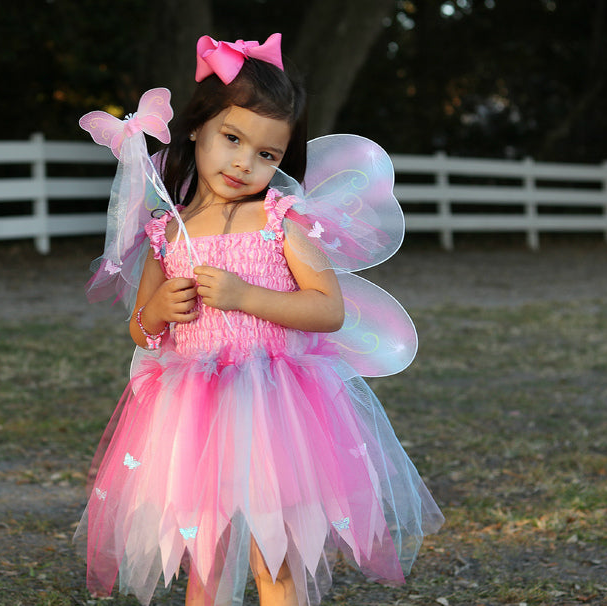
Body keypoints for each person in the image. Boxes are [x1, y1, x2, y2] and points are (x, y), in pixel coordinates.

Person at [75, 33, 444, 606]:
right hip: (194, 414)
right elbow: (142, 332)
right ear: (197, 128)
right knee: (207, 559)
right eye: (231, 139)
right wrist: (157, 311)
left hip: (279, 411)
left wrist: (248, 295)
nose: (244, 163)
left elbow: (327, 308)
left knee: (275, 556)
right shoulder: (166, 232)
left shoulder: (280, 222)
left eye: (267, 154)